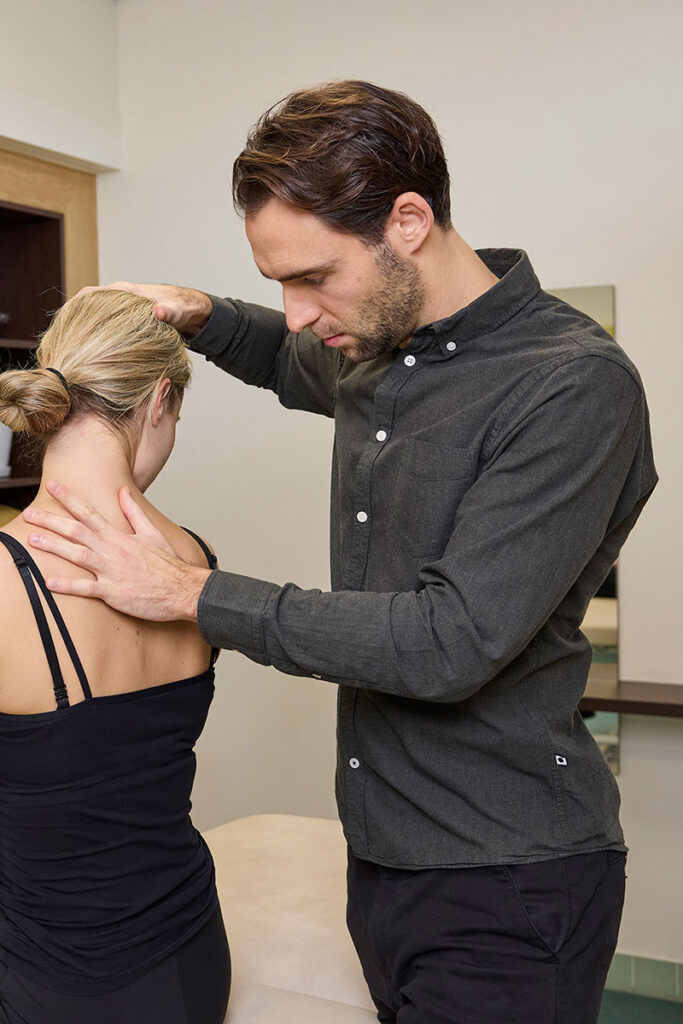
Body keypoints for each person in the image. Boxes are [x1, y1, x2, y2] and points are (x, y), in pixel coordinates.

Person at [25, 81, 657, 1024]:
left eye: (313, 277)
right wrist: (201, 311)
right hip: (385, 858)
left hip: (509, 875)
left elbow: (451, 642)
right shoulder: (385, 349)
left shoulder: (569, 387)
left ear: (408, 221)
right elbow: (292, 362)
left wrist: (191, 593)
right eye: (277, 280)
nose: (295, 310)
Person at [0, 291, 230, 1024]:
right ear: (160, 399)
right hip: (194, 957)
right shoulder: (193, 564)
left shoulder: (4, 576)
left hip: (53, 983)